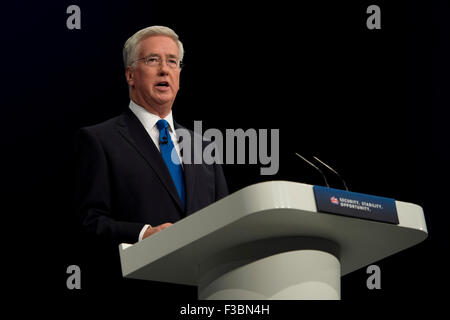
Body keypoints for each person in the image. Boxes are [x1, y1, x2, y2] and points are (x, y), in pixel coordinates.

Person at [75, 26, 228, 288]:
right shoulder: (99, 140)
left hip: (205, 291)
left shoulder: (204, 146)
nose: (164, 69)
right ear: (130, 75)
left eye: (172, 62)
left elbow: (226, 220)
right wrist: (143, 233)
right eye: (153, 60)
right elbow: (88, 223)